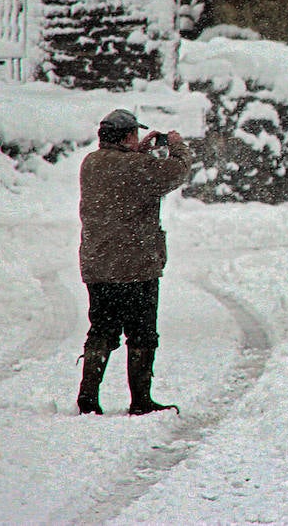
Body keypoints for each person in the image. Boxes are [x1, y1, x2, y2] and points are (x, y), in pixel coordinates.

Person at [76, 108, 193, 416]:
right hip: (135, 267)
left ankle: (88, 395)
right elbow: (177, 172)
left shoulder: (91, 164)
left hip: (99, 266)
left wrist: (138, 153)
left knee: (101, 330)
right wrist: (177, 145)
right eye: (135, 135)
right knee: (141, 334)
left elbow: (124, 172)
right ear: (127, 137)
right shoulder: (139, 167)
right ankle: (140, 399)